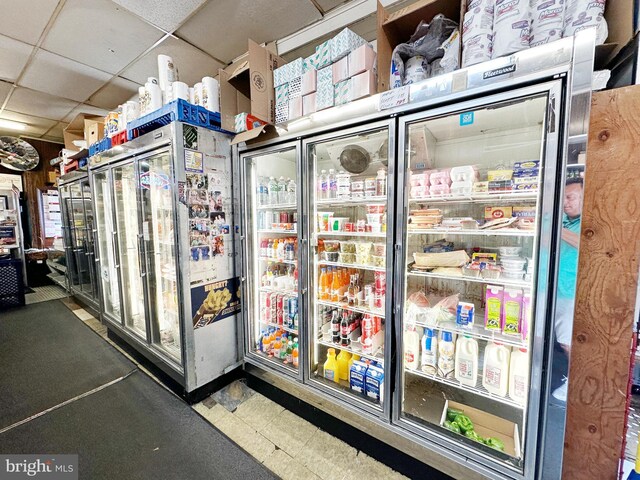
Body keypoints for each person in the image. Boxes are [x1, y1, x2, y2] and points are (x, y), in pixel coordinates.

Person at [552, 176, 583, 402]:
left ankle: (576, 383)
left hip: (570, 291)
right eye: (563, 198)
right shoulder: (564, 220)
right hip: (551, 288)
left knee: (566, 341)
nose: (565, 202)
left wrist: (556, 228)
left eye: (570, 197)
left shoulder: (588, 222)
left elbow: (588, 244)